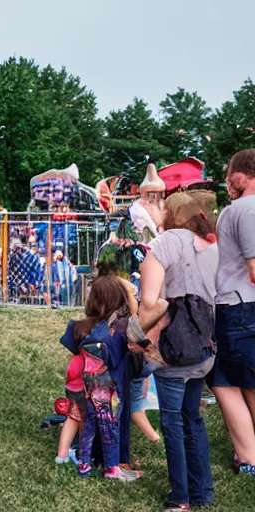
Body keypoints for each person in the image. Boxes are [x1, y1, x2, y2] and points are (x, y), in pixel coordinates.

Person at [138, 191, 217, 511]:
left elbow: (150, 302)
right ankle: (203, 492)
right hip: (204, 348)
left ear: (170, 213)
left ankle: (180, 497)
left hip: (173, 348)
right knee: (192, 418)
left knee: (173, 422)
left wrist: (135, 332)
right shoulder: (213, 246)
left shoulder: (163, 244)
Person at [59, 275, 139, 482]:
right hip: (108, 390)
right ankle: (112, 467)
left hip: (84, 388)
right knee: (109, 427)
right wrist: (126, 289)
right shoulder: (120, 328)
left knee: (88, 426)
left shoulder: (81, 328)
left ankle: (84, 462)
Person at [210, 149, 255, 477]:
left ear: (241, 175)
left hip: (239, 306)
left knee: (234, 380)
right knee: (230, 380)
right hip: (239, 305)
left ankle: (250, 456)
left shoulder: (243, 209)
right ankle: (247, 455)